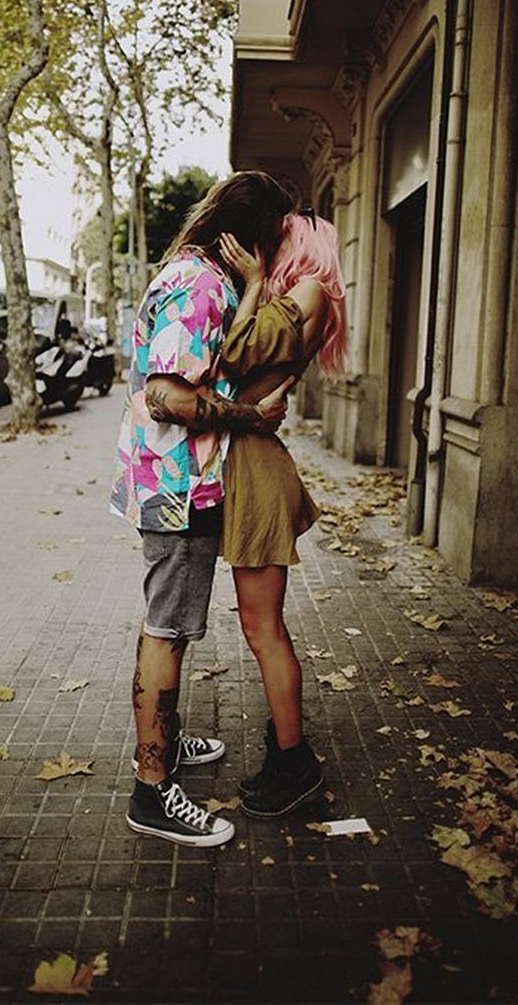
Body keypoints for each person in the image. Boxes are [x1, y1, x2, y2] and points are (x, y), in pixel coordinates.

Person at [111, 170, 295, 848]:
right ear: (248, 239)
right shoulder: (198, 286)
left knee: (168, 625)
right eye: (273, 240)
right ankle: (152, 791)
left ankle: (166, 746)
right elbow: (168, 396)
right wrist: (251, 415)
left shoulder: (198, 274)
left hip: (174, 483)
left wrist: (250, 291)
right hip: (180, 490)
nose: (278, 255)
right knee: (168, 629)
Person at [216, 208, 347, 818]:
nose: (266, 247)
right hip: (254, 464)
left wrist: (250, 283)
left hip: (259, 473)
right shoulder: (306, 297)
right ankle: (287, 751)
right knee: (261, 627)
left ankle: (294, 766)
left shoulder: (309, 290)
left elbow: (237, 352)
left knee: (262, 629)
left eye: (277, 239)